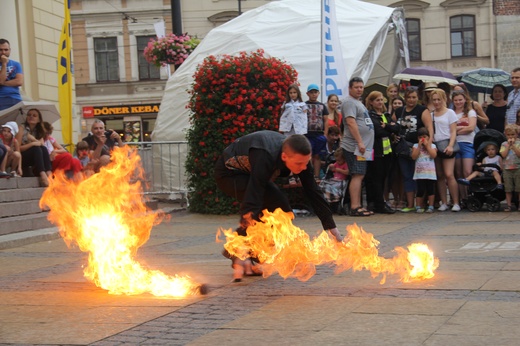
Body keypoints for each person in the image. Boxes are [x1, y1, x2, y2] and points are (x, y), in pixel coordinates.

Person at [214, 131, 342, 281]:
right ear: (284, 157)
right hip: (230, 174)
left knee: (282, 210)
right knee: (271, 203)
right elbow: (252, 199)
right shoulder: (265, 156)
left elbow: (312, 190)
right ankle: (239, 251)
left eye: (305, 163)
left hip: (250, 172)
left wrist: (331, 227)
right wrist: (241, 244)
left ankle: (250, 253)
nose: (302, 168)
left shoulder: (301, 160)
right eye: (298, 164)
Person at [393, 86, 432, 212]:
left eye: (414, 97)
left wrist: (428, 144)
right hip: (403, 148)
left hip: (418, 147)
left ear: (418, 98)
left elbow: (429, 128)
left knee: (421, 175)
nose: (411, 100)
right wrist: (393, 137)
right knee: (406, 175)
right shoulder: (399, 111)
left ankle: (421, 203)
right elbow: (392, 126)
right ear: (405, 98)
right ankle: (410, 204)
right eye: (409, 97)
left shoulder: (422, 110)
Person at [340, 77, 374, 216]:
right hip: (355, 146)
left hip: (362, 147)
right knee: (357, 174)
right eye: (356, 87)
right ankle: (355, 206)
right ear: (350, 88)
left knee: (360, 175)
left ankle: (358, 205)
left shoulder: (357, 102)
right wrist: (360, 142)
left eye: (361, 87)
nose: (359, 89)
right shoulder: (349, 102)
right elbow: (351, 122)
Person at [364, 91, 399, 214]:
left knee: (384, 177)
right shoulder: (370, 115)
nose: (380, 102)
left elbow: (397, 128)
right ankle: (377, 203)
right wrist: (389, 129)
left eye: (381, 99)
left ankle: (379, 202)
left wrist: (387, 127)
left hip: (388, 151)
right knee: (376, 178)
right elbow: (377, 131)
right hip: (376, 151)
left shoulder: (386, 115)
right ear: (371, 102)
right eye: (377, 100)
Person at [431, 89, 461, 212]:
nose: (436, 102)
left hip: (447, 143)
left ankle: (456, 202)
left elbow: (453, 131)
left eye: (439, 99)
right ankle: (444, 202)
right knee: (440, 175)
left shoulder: (450, 113)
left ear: (444, 99)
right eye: (434, 100)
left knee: (449, 174)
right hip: (435, 144)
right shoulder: (431, 114)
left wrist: (450, 145)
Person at [15, 108, 52, 186]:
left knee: (43, 149)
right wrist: (32, 144)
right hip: (21, 158)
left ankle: (49, 173)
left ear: (39, 119)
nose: (31, 117)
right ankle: (43, 175)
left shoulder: (39, 130)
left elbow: (41, 144)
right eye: (29, 115)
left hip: (34, 157)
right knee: (36, 148)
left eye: (34, 115)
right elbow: (17, 149)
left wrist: (33, 139)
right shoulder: (21, 128)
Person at [452, 90, 477, 203]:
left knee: (467, 171)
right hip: (455, 144)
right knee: (458, 172)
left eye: (460, 100)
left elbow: (471, 128)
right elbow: (449, 130)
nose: (458, 102)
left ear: (465, 100)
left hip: (468, 143)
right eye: (456, 100)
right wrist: (461, 130)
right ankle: (463, 198)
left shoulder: (470, 112)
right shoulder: (450, 112)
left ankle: (471, 195)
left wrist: (455, 130)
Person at [305, 84, 329, 178]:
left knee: (318, 156)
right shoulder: (304, 105)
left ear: (318, 93)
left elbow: (326, 120)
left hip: (319, 134)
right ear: (308, 93)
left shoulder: (322, 106)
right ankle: (309, 175)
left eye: (315, 92)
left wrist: (325, 134)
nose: (314, 94)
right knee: (308, 155)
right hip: (307, 134)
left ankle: (316, 175)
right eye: (312, 92)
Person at [411, 127, 437, 213]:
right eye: (420, 137)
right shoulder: (415, 146)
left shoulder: (433, 146)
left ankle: (431, 205)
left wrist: (427, 146)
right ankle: (418, 205)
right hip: (420, 173)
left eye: (425, 137)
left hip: (430, 173)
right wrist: (419, 146)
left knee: (431, 189)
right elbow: (414, 156)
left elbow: (433, 155)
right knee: (420, 189)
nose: (422, 139)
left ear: (428, 137)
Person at [500, 124, 520, 211]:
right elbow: (503, 155)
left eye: (513, 134)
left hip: (518, 168)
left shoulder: (519, 143)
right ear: (505, 135)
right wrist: (508, 146)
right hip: (507, 169)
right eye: (508, 135)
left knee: (519, 188)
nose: (511, 137)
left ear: (517, 134)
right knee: (508, 188)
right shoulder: (504, 144)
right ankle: (508, 205)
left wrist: (514, 146)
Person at [0, 39, 23, 111]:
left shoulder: (16, 64)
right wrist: (4, 64)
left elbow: (19, 81)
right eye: (0, 50)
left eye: (6, 50)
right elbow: (1, 80)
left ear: (9, 50)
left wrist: (3, 83)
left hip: (15, 98)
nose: (3, 52)